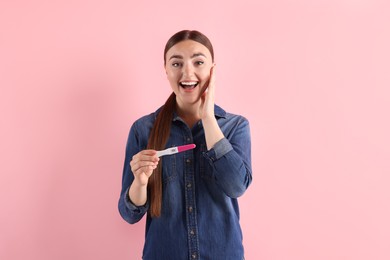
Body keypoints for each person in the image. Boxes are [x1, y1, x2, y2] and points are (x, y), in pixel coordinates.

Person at [118, 30, 252, 260]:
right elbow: (129, 214)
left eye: (198, 62)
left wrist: (208, 119)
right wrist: (140, 183)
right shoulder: (143, 129)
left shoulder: (235, 126)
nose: (187, 72)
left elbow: (236, 186)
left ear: (213, 69)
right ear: (166, 70)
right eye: (176, 63)